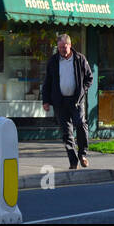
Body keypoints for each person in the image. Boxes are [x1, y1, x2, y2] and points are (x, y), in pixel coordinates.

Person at [41, 33, 93, 168]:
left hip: (76, 100)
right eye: (59, 48)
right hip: (60, 102)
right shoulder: (53, 61)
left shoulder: (79, 59)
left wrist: (83, 90)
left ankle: (82, 154)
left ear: (70, 45)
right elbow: (47, 82)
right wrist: (46, 101)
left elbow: (89, 78)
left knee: (81, 125)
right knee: (66, 132)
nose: (62, 50)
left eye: (64, 47)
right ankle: (73, 160)